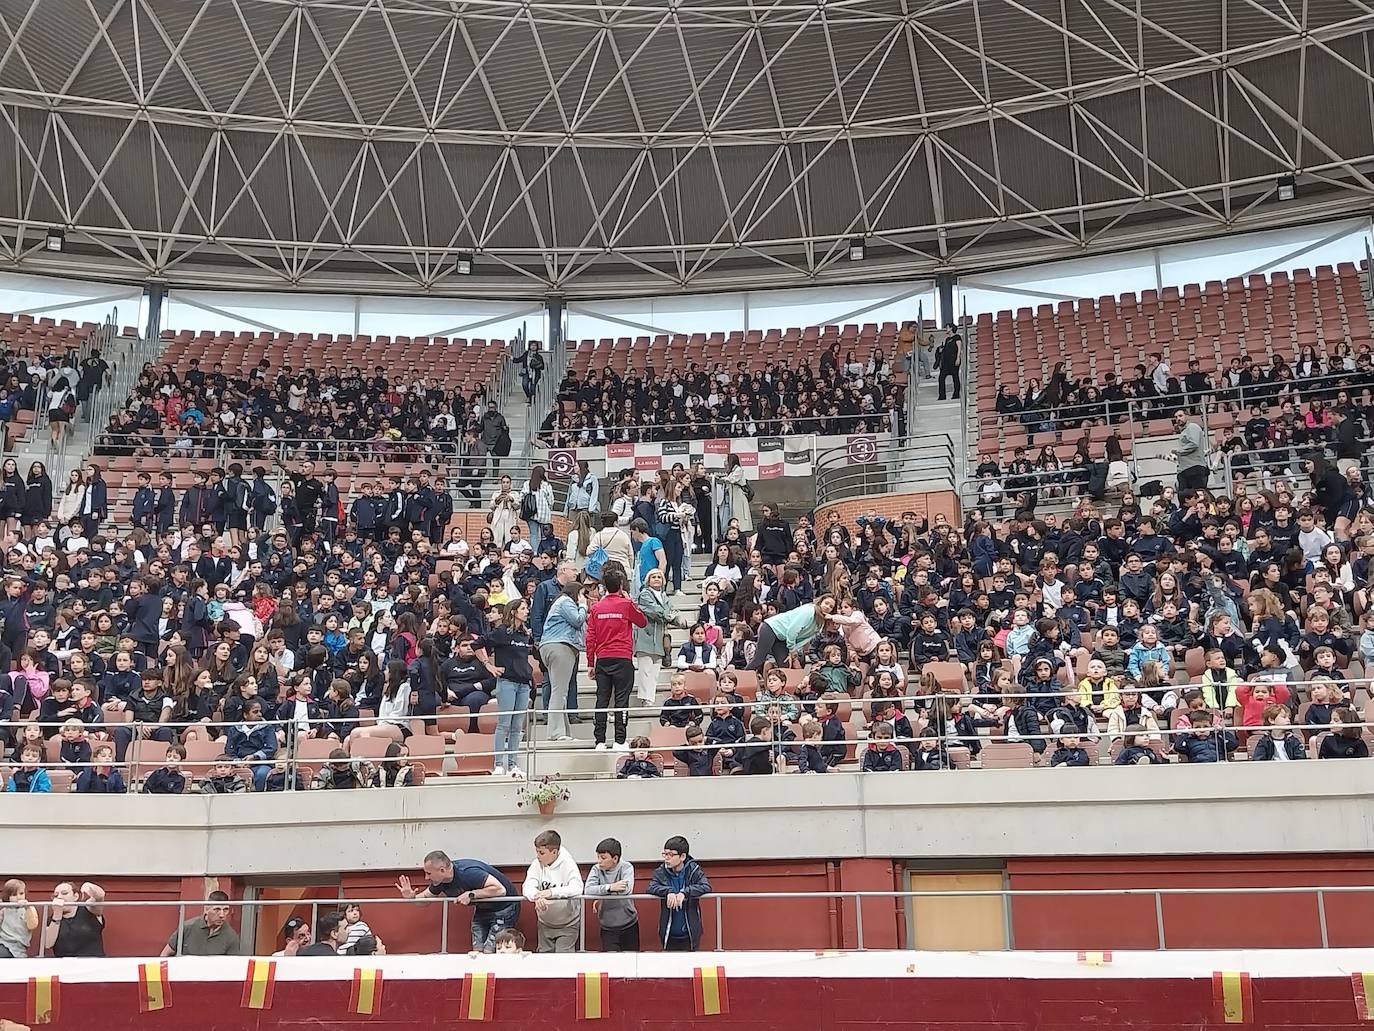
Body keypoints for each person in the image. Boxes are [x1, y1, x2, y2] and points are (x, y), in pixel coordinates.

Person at [395, 850, 520, 954]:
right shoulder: (440, 881)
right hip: (483, 910)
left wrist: (470, 894)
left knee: (490, 950)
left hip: (504, 907)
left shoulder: (468, 872)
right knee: (477, 951)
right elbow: (426, 899)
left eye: (428, 873)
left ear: (443, 870)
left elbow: (500, 890)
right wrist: (411, 898)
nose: (426, 878)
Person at [585, 566, 646, 751]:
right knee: (621, 700)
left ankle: (600, 741)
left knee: (602, 699)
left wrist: (589, 663)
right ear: (621, 585)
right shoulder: (626, 605)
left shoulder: (596, 607)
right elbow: (642, 622)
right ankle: (620, 741)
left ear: (604, 586)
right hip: (622, 658)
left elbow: (590, 637)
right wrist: (629, 601)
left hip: (603, 659)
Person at [484, 599, 538, 777]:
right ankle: (499, 764)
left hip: (523, 683)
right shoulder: (501, 632)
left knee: (517, 727)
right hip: (507, 682)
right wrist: (489, 666)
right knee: (504, 724)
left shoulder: (524, 634)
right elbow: (478, 644)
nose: (526, 611)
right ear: (513, 611)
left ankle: (513, 764)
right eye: (523, 609)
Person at [521, 829, 584, 953]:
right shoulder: (536, 864)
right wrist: (536, 897)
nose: (538, 856)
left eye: (541, 853)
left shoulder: (568, 863)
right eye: (537, 852)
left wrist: (552, 892)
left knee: (563, 958)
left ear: (554, 852)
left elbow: (577, 887)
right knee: (545, 959)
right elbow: (527, 886)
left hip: (568, 923)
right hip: (544, 923)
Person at [647, 835, 710, 951]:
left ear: (682, 856)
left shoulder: (694, 870)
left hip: (690, 932)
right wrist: (668, 891)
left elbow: (706, 886)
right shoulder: (661, 871)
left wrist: (685, 893)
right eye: (665, 854)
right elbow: (651, 887)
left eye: (671, 854)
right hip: (668, 933)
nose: (666, 858)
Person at [584, 837, 638, 952]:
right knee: (611, 960)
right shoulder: (596, 869)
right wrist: (610, 888)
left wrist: (600, 893)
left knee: (631, 960)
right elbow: (588, 890)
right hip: (607, 926)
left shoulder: (626, 867)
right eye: (598, 857)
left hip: (629, 923)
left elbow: (626, 889)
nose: (599, 861)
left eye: (603, 858)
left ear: (615, 858)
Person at [161, 890, 240, 957]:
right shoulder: (188, 927)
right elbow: (166, 953)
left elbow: (232, 965)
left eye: (225, 910)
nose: (222, 915)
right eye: (217, 909)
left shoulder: (231, 936)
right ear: (206, 909)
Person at [43, 881, 105, 958]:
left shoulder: (88, 909)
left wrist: (90, 886)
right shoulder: (52, 919)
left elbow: (100, 896)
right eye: (56, 895)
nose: (59, 897)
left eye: (64, 893)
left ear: (75, 896)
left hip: (92, 963)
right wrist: (57, 915)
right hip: (65, 965)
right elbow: (48, 944)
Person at [565, 461, 599, 558]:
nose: (574, 467)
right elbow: (569, 494)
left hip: (585, 508)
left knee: (586, 530)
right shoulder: (573, 479)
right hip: (573, 507)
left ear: (581, 467)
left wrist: (591, 508)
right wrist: (567, 508)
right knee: (571, 529)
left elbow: (594, 494)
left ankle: (587, 550)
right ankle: (570, 550)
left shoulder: (592, 478)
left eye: (576, 465)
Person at [715, 455, 753, 540]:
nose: (725, 463)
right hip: (732, 497)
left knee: (739, 518)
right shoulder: (732, 471)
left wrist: (721, 479)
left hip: (738, 497)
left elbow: (731, 479)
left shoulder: (738, 470)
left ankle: (740, 537)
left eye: (726, 460)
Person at [1171, 409, 1209, 490]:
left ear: (1187, 416)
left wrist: (1179, 451)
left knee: (1198, 495)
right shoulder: (1184, 431)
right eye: (1176, 417)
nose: (1178, 419)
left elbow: (1194, 444)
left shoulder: (1192, 427)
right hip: (1185, 469)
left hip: (1194, 468)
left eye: (1180, 416)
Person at [0, 880, 38, 958]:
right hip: (3, 942)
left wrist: (27, 908)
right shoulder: (5, 910)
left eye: (21, 893)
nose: (18, 897)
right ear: (8, 897)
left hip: (18, 946)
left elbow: (32, 925)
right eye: (14, 895)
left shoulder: (28, 908)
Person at [936, 325, 962, 401]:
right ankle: (942, 396)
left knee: (955, 377)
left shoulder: (957, 337)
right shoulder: (947, 339)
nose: (946, 329)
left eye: (947, 327)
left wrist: (958, 358)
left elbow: (959, 348)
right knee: (941, 377)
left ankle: (956, 394)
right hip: (946, 361)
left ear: (951, 328)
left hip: (953, 359)